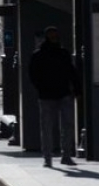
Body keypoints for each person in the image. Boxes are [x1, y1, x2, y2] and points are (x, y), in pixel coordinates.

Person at [29, 26, 80, 167]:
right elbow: (71, 72)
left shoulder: (44, 55)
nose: (54, 39)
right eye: (52, 37)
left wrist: (76, 89)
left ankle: (59, 156)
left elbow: (71, 72)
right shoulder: (56, 54)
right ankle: (55, 156)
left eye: (55, 36)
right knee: (58, 126)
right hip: (53, 94)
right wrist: (76, 89)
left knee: (53, 127)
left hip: (56, 94)